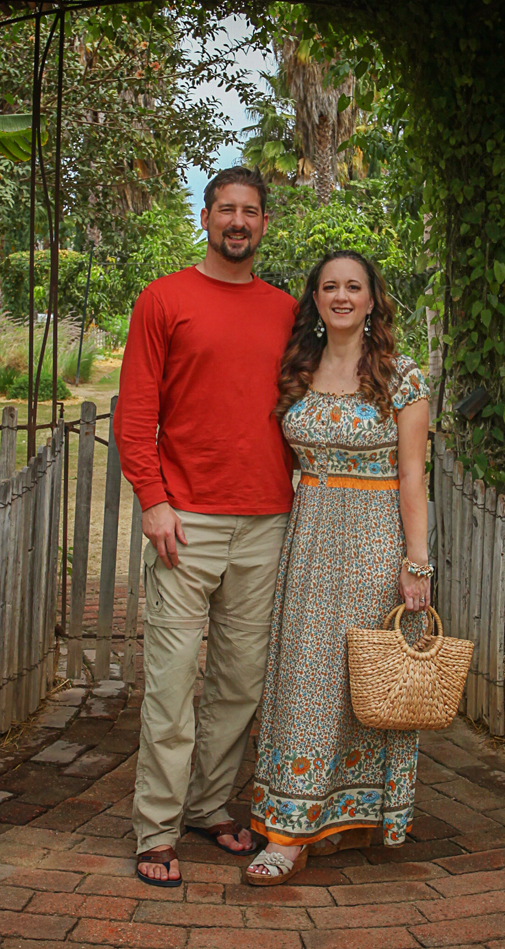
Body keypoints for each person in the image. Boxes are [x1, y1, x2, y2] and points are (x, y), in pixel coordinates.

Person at [112, 166, 298, 889]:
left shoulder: (286, 310)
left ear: (264, 223)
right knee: (170, 679)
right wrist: (153, 499)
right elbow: (135, 412)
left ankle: (210, 805)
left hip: (267, 519)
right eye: (227, 209)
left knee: (239, 682)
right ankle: (156, 828)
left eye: (251, 211)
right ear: (205, 217)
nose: (239, 222)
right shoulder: (163, 299)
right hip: (184, 518)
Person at [245, 249, 432, 886]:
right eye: (331, 287)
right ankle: (289, 828)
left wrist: (417, 563)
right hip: (309, 540)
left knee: (362, 683)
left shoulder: (402, 375)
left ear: (374, 298)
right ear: (316, 299)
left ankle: (348, 817)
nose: (344, 296)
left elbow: (413, 475)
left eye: (355, 286)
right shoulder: (297, 367)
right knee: (305, 680)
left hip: (374, 540)